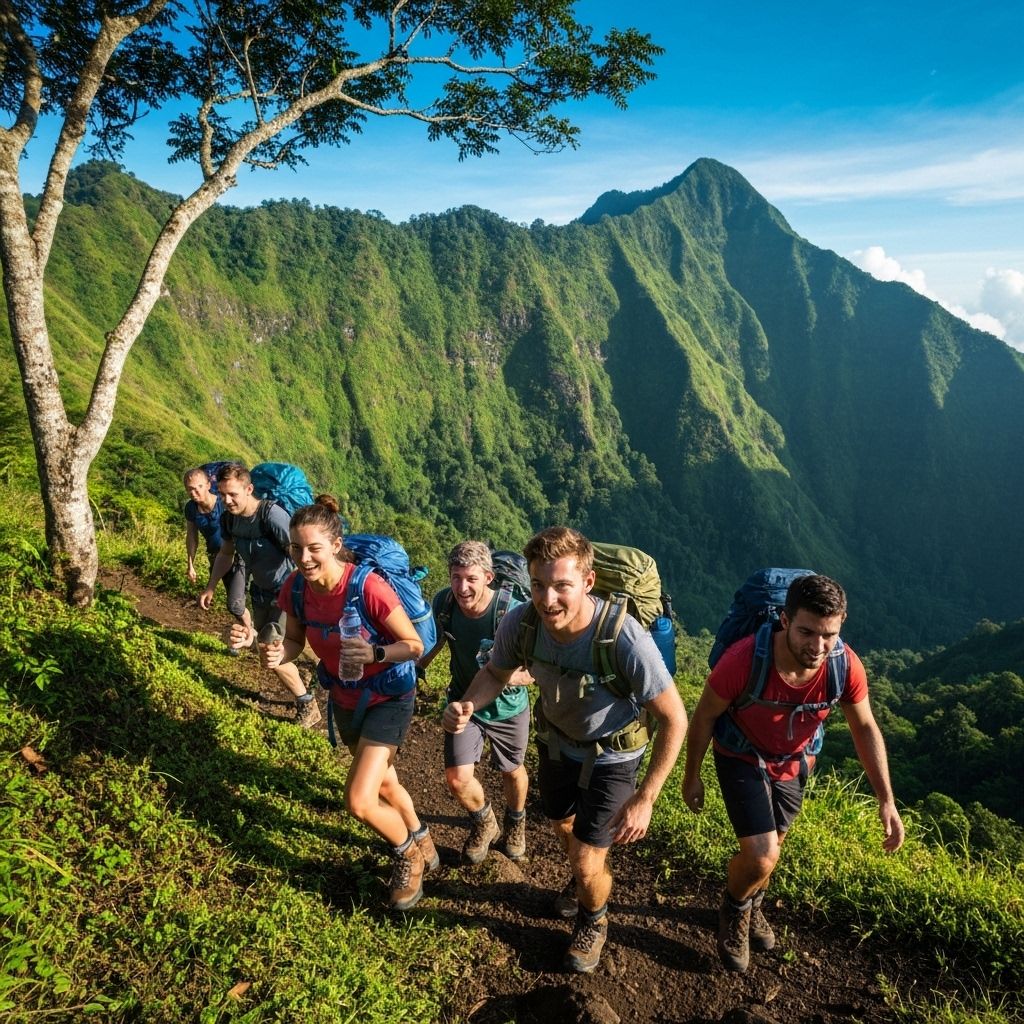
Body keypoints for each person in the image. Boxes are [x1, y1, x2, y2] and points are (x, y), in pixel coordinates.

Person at [444, 526, 688, 974]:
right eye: (539, 585)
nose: (548, 599)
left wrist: (647, 797)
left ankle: (594, 920)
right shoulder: (522, 623)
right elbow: (496, 673)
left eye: (561, 586)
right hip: (556, 744)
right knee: (562, 826)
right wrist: (469, 704)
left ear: (588, 582)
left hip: (613, 756)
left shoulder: (623, 637)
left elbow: (675, 717)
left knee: (586, 857)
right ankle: (582, 880)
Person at [681, 574, 905, 973]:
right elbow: (704, 716)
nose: (817, 647)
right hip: (741, 755)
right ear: (785, 620)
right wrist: (691, 775)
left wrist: (886, 799)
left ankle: (753, 904)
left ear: (841, 624)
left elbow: (865, 727)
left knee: (773, 849)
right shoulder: (744, 660)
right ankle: (734, 910)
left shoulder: (845, 666)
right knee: (762, 855)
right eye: (807, 632)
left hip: (795, 762)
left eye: (829, 635)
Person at [259, 494, 436, 910]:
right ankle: (422, 837)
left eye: (314, 548)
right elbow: (294, 641)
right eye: (296, 548)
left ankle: (407, 854)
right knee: (384, 781)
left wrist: (376, 653)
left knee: (359, 800)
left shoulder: (367, 587)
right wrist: (275, 653)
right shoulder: (296, 588)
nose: (304, 558)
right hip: (344, 696)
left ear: (336, 545)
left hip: (389, 696)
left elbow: (413, 645)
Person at [428, 541, 533, 864]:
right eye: (456, 577)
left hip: (508, 708)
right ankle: (485, 822)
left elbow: (535, 669)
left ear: (488, 577)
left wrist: (502, 676)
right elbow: (437, 638)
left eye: (471, 579)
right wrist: (414, 668)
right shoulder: (444, 602)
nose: (462, 588)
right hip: (463, 705)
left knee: (511, 770)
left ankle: (515, 822)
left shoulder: (512, 613)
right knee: (457, 778)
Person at [199, 462, 320, 729]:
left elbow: (300, 556)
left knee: (270, 650)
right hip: (261, 592)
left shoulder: (271, 516)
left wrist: (310, 592)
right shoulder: (229, 520)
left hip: (285, 593)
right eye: (222, 494)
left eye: (233, 494)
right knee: (268, 651)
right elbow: (226, 553)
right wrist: (211, 586)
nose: (227, 501)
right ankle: (306, 679)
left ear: (249, 489)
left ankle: (307, 703)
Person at [183, 466, 251, 654]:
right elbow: (192, 536)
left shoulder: (224, 504)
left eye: (198, 487)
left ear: (208, 485)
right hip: (216, 557)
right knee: (233, 602)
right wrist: (190, 564)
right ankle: (246, 634)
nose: (194, 492)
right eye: (189, 489)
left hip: (237, 556)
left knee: (235, 602)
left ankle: (249, 636)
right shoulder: (191, 509)